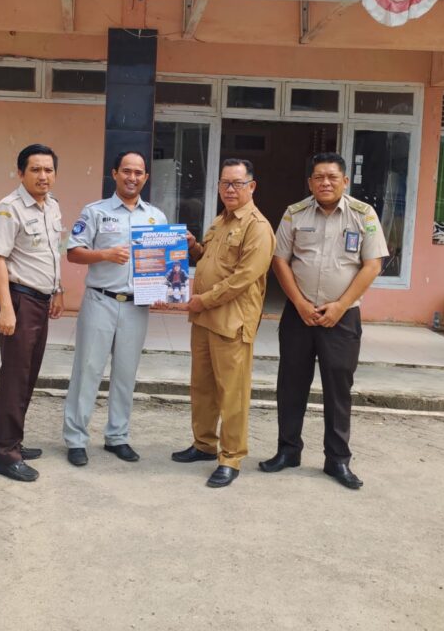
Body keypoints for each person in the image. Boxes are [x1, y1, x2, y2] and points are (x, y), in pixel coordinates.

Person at [260, 152, 388, 490]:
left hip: (342, 318)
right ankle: (288, 451)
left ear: (345, 181)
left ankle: (337, 459)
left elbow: (372, 265)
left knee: (338, 390)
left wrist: (340, 306)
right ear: (310, 182)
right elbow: (279, 260)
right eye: (319, 177)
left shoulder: (364, 214)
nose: (325, 182)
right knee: (291, 385)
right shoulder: (294, 213)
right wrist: (300, 304)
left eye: (332, 177)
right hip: (299, 314)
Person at [165, 159, 275, 488]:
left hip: (232, 321)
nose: (230, 189)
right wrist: (193, 247)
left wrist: (204, 299)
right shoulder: (220, 220)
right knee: (202, 387)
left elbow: (243, 278)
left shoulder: (257, 227)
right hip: (204, 320)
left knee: (232, 393)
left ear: (251, 186)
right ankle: (203, 444)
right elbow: (208, 259)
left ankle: (231, 457)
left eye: (237, 183)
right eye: (225, 183)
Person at [62, 151, 167, 467]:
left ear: (145, 177)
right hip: (101, 301)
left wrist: (163, 287)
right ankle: (76, 439)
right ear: (115, 174)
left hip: (136, 306)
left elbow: (163, 262)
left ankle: (117, 436)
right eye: (126, 171)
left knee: (125, 374)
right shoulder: (95, 211)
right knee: (88, 371)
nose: (132, 178)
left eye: (138, 173)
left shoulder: (156, 218)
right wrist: (105, 255)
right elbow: (73, 253)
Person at [0, 144, 65, 482]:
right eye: (35, 169)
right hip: (18, 301)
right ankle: (6, 454)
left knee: (28, 375)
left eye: (48, 170)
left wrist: (58, 289)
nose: (43, 176)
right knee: (15, 377)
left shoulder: (52, 207)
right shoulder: (9, 209)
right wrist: (6, 308)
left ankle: (8, 442)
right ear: (21, 173)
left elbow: (52, 252)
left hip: (41, 301)